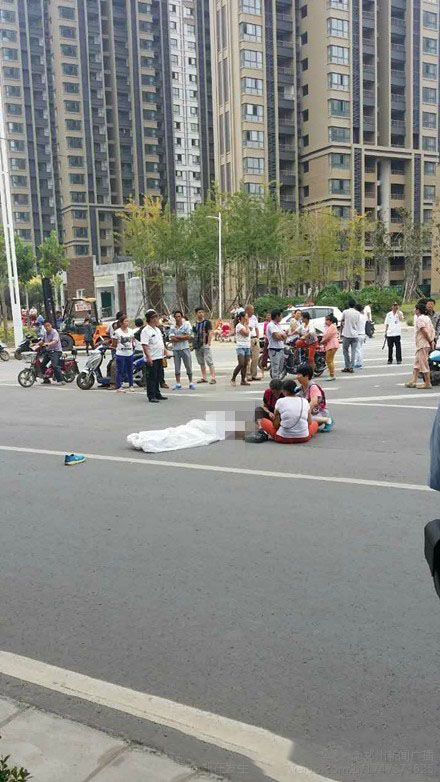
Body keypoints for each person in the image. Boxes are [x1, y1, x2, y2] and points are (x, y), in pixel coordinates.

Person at [260, 378, 319, 443]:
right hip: (304, 437)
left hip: (283, 438)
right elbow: (309, 422)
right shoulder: (304, 401)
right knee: (314, 423)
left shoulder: (280, 401)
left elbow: (276, 425)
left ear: (284, 391)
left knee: (263, 421)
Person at [405, 301, 435, 389]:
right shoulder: (427, 318)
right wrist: (432, 340)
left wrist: (430, 341)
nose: (414, 310)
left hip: (423, 344)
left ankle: (428, 383)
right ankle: (413, 381)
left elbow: (424, 330)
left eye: (415, 308)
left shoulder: (420, 319)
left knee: (423, 363)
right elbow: (432, 330)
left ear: (418, 310)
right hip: (423, 344)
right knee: (417, 363)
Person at [141, 311, 168, 403]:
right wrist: (148, 357)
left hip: (159, 356)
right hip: (152, 357)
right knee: (151, 377)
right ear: (151, 319)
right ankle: (151, 395)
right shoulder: (145, 331)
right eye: (155, 317)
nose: (157, 319)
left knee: (158, 376)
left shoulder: (157, 329)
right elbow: (144, 345)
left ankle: (157, 393)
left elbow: (161, 342)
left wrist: (165, 351)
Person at [296, 364, 333, 431]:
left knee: (301, 419)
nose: (297, 377)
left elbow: (314, 402)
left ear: (307, 376)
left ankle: (327, 420)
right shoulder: (300, 388)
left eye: (299, 374)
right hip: (309, 413)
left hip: (318, 413)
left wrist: (303, 414)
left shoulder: (313, 387)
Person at [169, 310, 195, 390]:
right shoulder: (172, 326)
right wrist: (183, 336)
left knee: (188, 365)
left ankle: (191, 382)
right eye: (176, 317)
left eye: (179, 316)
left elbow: (189, 336)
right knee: (177, 367)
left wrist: (178, 336)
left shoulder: (187, 324)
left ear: (182, 317)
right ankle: (178, 383)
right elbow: (172, 338)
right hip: (176, 349)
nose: (178, 318)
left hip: (185, 348)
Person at [192, 306, 216, 384]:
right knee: (201, 362)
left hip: (205, 344)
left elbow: (210, 332)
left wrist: (208, 343)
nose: (201, 314)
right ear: (196, 313)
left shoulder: (207, 322)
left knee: (209, 361)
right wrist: (193, 345)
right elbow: (194, 334)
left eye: (202, 312)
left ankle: (213, 377)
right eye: (199, 312)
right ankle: (204, 377)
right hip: (197, 345)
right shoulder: (195, 324)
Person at [112, 315, 135, 393]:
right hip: (120, 354)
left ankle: (131, 385)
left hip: (129, 353)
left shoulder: (131, 331)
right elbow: (114, 343)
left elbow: (132, 341)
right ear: (121, 323)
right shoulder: (117, 332)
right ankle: (119, 386)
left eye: (127, 321)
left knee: (130, 370)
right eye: (125, 321)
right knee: (120, 370)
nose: (127, 323)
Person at [39, 320, 64, 384]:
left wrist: (48, 344)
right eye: (45, 326)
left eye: (48, 325)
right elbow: (42, 341)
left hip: (56, 351)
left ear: (51, 325)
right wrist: (36, 344)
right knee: (42, 365)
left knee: (54, 365)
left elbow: (55, 341)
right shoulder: (45, 333)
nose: (47, 327)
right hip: (49, 351)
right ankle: (46, 379)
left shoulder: (54, 332)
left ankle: (61, 380)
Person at [231, 311, 251, 386]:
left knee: (245, 364)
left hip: (247, 346)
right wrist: (246, 325)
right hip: (240, 346)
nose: (247, 318)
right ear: (242, 317)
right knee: (241, 363)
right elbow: (246, 334)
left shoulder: (246, 325)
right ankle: (233, 378)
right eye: (246, 316)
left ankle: (243, 380)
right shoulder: (239, 326)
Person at [340, 298, 360, 373]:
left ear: (348, 304)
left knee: (345, 351)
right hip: (355, 335)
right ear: (355, 305)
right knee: (353, 352)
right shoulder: (357, 313)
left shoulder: (345, 312)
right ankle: (351, 367)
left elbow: (342, 320)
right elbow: (357, 322)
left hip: (346, 334)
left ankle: (347, 366)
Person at [266, 309, 287, 379]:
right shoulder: (271, 325)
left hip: (281, 348)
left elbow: (285, 335)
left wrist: (282, 336)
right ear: (277, 316)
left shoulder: (278, 325)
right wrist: (282, 336)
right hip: (274, 349)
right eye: (280, 316)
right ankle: (275, 383)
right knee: (275, 368)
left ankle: (277, 381)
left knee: (280, 367)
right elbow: (276, 336)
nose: (281, 317)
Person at [321, 313, 339, 381]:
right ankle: (331, 374)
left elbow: (328, 336)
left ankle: (332, 375)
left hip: (332, 344)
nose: (326, 321)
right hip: (330, 344)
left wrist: (322, 341)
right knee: (330, 360)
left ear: (331, 321)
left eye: (327, 320)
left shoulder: (332, 326)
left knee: (329, 360)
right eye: (325, 320)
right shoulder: (328, 326)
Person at [245, 304, 260, 381]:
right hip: (247, 339)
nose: (253, 311)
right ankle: (248, 375)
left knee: (255, 357)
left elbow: (256, 328)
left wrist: (258, 337)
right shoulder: (244, 317)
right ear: (247, 310)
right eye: (252, 310)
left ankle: (254, 374)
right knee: (248, 358)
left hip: (254, 339)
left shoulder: (254, 317)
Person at [354, 303, 367, 369]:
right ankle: (359, 363)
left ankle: (359, 364)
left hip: (357, 334)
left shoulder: (356, 316)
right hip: (363, 334)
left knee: (357, 350)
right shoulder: (363, 316)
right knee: (359, 349)